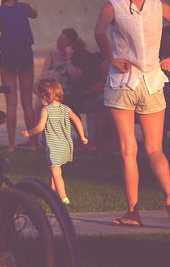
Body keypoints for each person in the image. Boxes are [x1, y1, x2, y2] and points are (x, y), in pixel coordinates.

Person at [95, 0, 170, 226]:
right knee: (155, 149)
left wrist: (111, 59)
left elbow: (98, 32)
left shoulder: (112, 7)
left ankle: (133, 213)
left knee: (129, 151)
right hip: (152, 82)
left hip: (123, 82)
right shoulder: (160, 6)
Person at [22, 79, 88, 205]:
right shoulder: (66, 108)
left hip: (54, 146)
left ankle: (64, 199)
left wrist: (29, 133)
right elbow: (77, 121)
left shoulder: (46, 110)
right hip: (65, 145)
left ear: (43, 96)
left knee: (57, 174)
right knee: (53, 171)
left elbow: (40, 127)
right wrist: (82, 136)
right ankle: (50, 195)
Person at [0, 0, 37, 152]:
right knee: (27, 102)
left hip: (8, 55)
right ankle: (33, 143)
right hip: (25, 53)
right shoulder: (24, 7)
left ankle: (11, 144)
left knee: (11, 103)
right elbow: (35, 14)